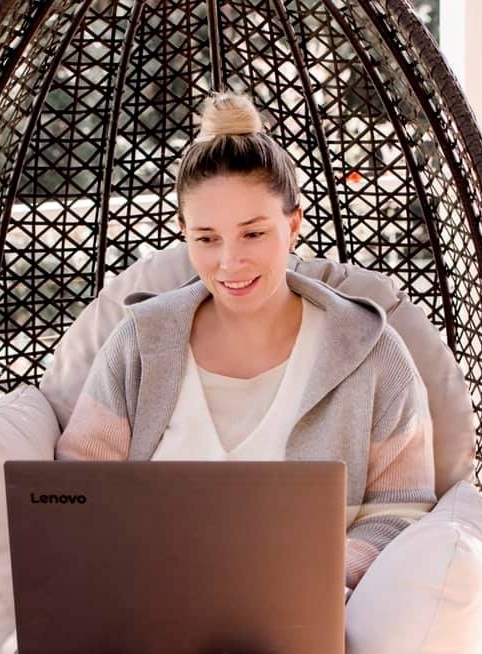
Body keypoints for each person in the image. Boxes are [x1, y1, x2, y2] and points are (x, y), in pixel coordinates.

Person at [55, 92, 437, 645]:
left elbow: (403, 507)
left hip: (293, 630)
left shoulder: (371, 353)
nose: (229, 262)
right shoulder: (138, 344)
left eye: (253, 233)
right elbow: (77, 494)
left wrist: (319, 572)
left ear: (293, 224)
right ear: (183, 232)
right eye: (206, 239)